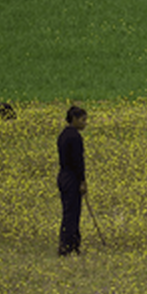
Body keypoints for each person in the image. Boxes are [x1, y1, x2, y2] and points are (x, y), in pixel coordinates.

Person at [56, 105, 88, 256]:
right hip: (72, 178)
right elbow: (78, 162)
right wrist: (82, 181)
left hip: (63, 176)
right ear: (74, 119)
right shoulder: (75, 137)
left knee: (69, 211)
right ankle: (67, 245)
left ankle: (73, 243)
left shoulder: (63, 135)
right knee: (72, 213)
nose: (85, 123)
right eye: (82, 120)